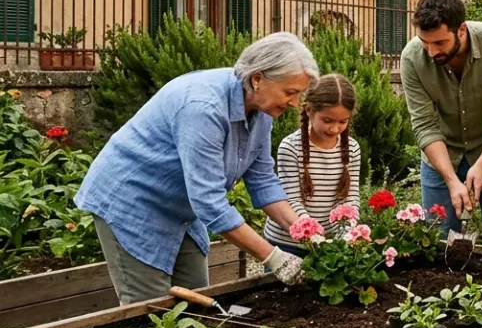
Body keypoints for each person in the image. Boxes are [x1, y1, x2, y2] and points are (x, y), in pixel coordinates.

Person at [74, 33, 318, 304]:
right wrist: (275, 258)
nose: (295, 103)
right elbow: (210, 203)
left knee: (197, 303)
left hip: (182, 211)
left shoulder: (262, 111)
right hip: (132, 204)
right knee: (150, 313)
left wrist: (304, 230)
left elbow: (262, 180)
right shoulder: (203, 107)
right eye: (290, 92)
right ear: (257, 78)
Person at [401, 0, 482, 244]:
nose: (431, 51)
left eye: (440, 43)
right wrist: (450, 180)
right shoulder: (412, 58)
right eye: (425, 42)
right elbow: (425, 125)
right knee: (437, 241)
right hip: (441, 157)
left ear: (462, 30)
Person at [264, 74, 361, 254]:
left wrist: (346, 234)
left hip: (329, 242)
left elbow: (351, 198)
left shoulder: (352, 149)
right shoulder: (290, 147)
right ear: (309, 110)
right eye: (327, 120)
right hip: (288, 244)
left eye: (343, 122)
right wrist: (314, 236)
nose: (334, 129)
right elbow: (291, 200)